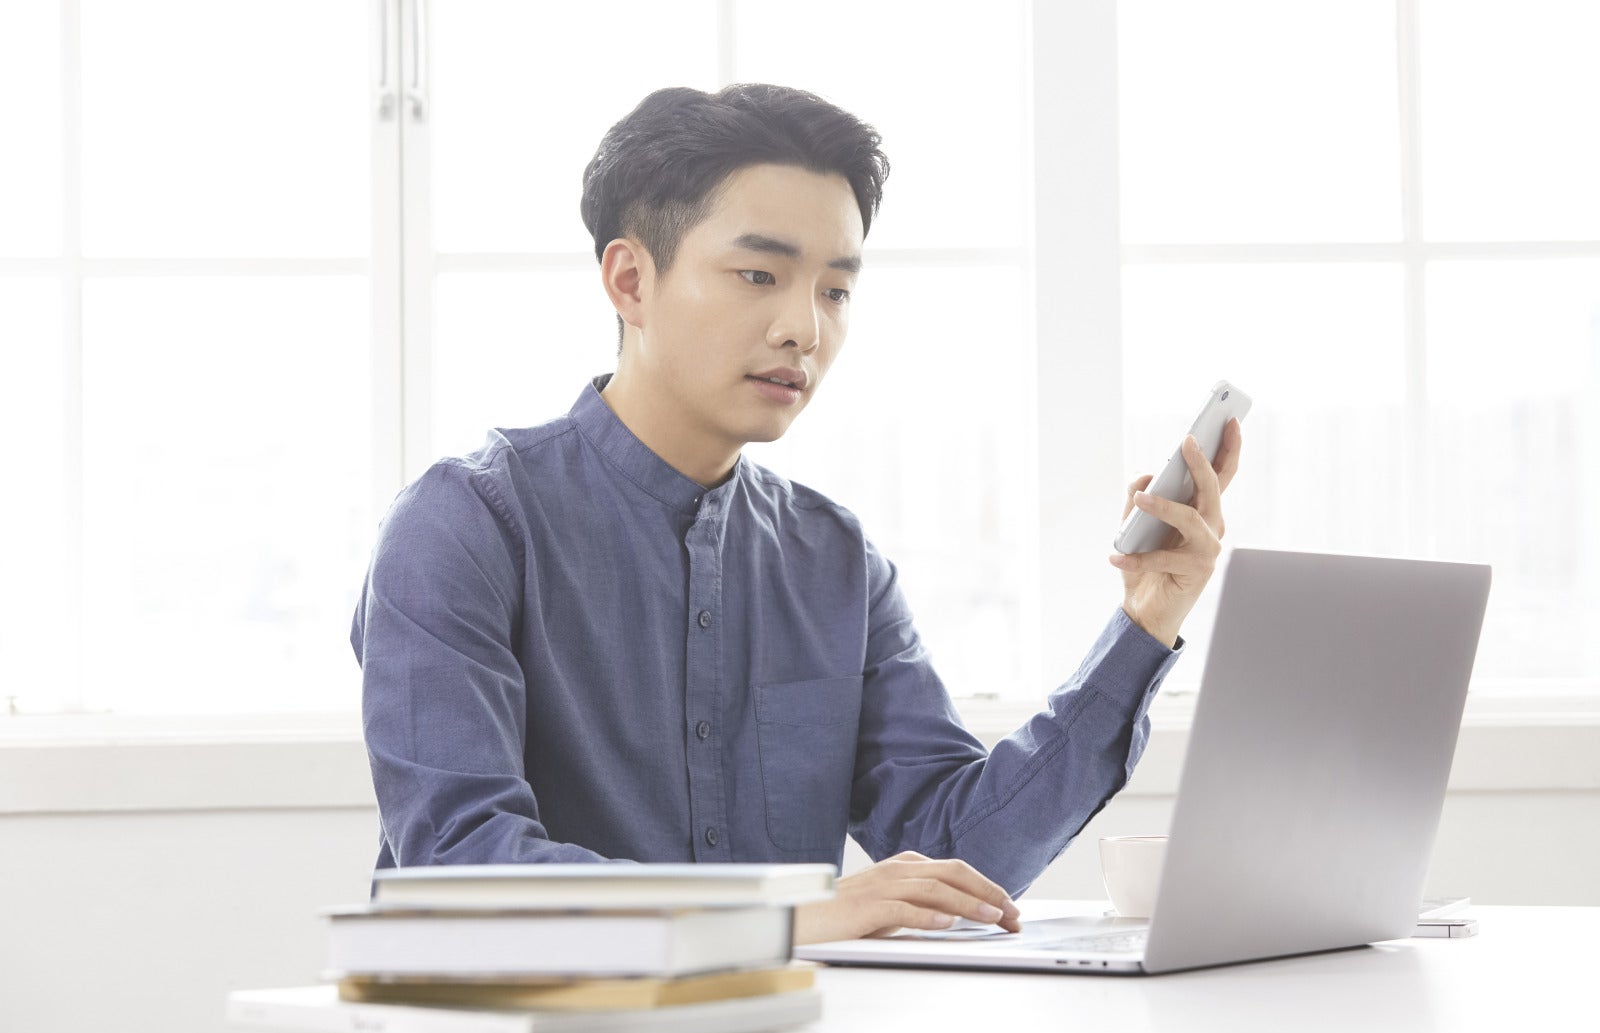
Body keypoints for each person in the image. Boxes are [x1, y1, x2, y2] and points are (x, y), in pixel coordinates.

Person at [351, 83, 1242, 946]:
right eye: (757, 274)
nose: (804, 330)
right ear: (630, 280)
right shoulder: (466, 523)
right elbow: (458, 868)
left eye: (835, 291)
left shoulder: (835, 559)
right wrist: (780, 919)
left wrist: (1146, 618)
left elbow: (961, 858)